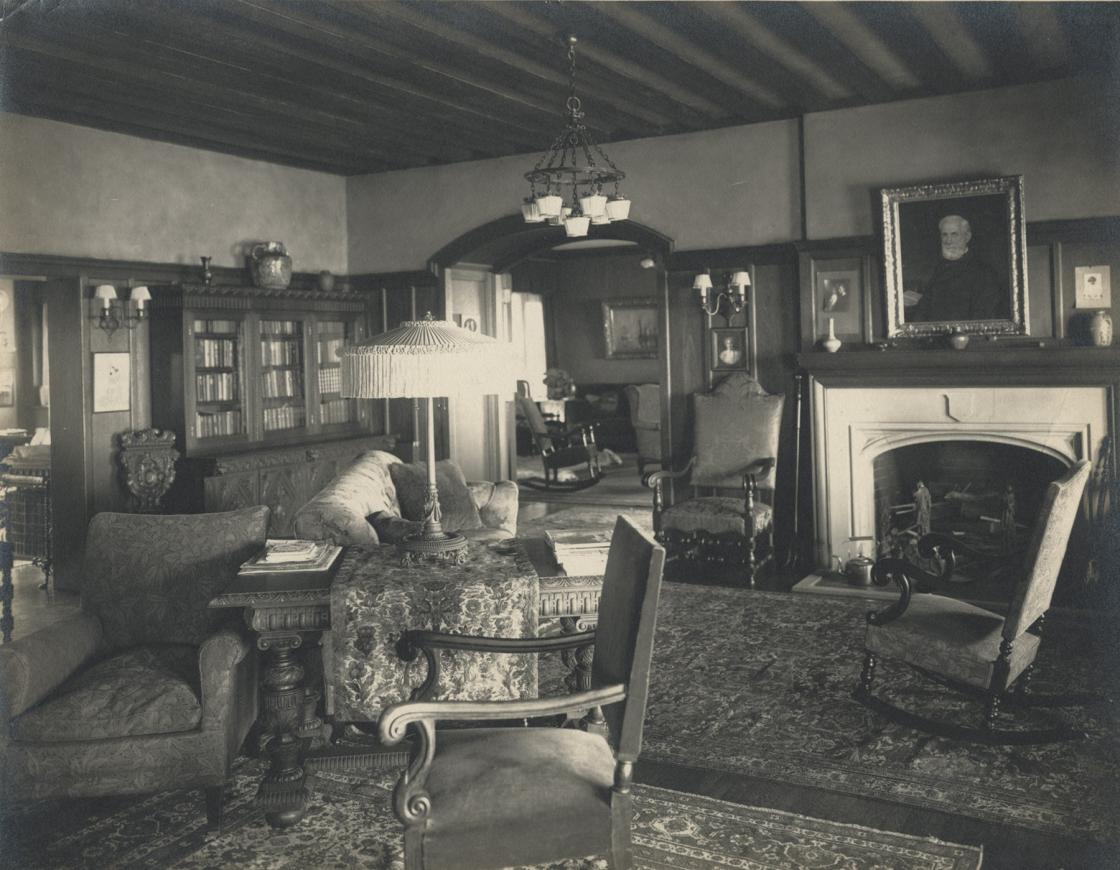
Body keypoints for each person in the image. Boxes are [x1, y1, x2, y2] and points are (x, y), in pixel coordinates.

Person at [910, 215, 1007, 322]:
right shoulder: (939, 268)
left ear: (967, 237)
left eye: (954, 234)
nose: (948, 241)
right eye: (944, 235)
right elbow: (924, 309)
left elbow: (984, 314)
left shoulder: (983, 271)